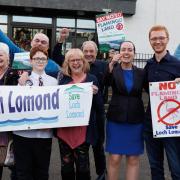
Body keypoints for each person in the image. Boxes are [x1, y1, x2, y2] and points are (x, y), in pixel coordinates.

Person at [56, 48, 104, 180]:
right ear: (68, 63)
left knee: (83, 169)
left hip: (83, 132)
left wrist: (95, 94)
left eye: (78, 60)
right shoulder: (63, 80)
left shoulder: (92, 79)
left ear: (83, 62)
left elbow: (99, 107)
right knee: (66, 169)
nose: (76, 63)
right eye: (72, 60)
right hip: (65, 132)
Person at [12, 46, 57, 180]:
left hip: (44, 135)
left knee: (42, 172)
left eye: (43, 58)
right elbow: (14, 103)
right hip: (22, 135)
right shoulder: (21, 80)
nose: (39, 61)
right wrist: (20, 85)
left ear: (47, 61)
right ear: (31, 61)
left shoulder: (54, 82)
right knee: (23, 172)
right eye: (36, 58)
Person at [144, 25, 180, 180]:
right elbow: (146, 88)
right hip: (151, 123)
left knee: (176, 167)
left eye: (161, 38)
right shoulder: (148, 65)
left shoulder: (177, 64)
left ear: (167, 39)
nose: (157, 41)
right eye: (154, 38)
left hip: (172, 125)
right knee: (155, 167)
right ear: (150, 41)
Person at [105, 41, 145, 180]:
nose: (126, 52)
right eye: (123, 49)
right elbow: (105, 81)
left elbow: (153, 88)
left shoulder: (141, 73)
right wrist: (110, 64)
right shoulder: (113, 70)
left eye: (130, 49)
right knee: (115, 158)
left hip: (135, 120)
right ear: (119, 52)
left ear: (134, 53)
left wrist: (174, 84)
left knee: (133, 158)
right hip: (116, 119)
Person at [81, 41, 107, 180]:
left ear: (96, 53)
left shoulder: (103, 65)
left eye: (92, 51)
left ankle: (101, 174)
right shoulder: (76, 65)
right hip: (80, 113)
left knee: (98, 146)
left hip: (97, 112)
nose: (89, 54)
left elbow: (111, 79)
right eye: (86, 51)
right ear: (82, 51)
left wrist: (114, 63)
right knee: (82, 147)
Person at [0, 42, 19, 180]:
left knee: (13, 163)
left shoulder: (15, 74)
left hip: (9, 128)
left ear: (8, 58)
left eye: (1, 54)